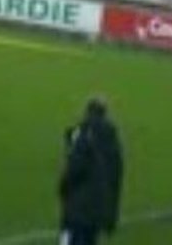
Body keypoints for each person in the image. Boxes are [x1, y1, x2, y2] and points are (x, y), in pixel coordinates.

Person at [59, 97, 124, 245]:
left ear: (87, 112)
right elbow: (116, 177)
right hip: (99, 208)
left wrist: (63, 188)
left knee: (73, 239)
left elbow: (75, 168)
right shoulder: (113, 140)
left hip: (78, 208)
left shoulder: (84, 134)